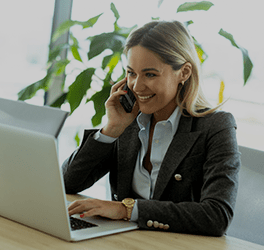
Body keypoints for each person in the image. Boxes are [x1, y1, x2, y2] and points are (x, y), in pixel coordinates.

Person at [62, 20, 240, 236]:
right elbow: (68, 182)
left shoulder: (215, 126)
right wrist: (111, 129)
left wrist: (126, 210)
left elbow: (216, 215)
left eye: (150, 74)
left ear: (183, 72)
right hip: (124, 242)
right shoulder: (128, 120)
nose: (136, 86)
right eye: (131, 73)